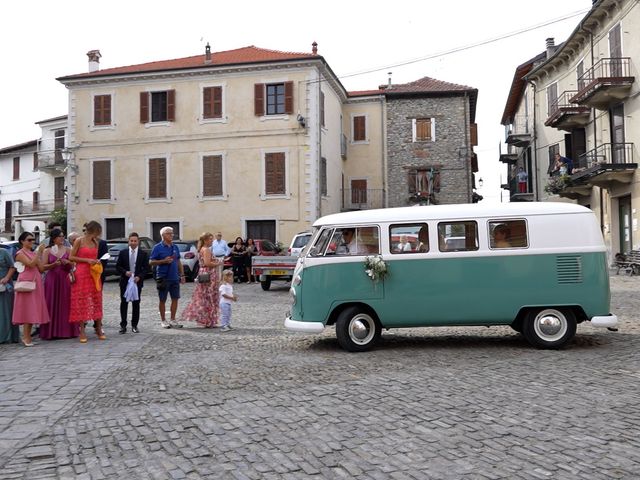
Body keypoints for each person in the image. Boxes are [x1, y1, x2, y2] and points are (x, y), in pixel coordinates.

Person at [39, 229, 79, 340]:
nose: (62, 238)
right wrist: (53, 264)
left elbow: (73, 265)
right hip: (52, 279)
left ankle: (67, 331)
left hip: (64, 279)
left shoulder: (68, 249)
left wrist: (68, 263)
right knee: (51, 303)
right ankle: (51, 331)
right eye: (60, 236)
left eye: (63, 236)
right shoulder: (47, 250)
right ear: (54, 238)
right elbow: (43, 267)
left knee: (66, 303)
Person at [69, 220, 105, 343]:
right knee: (81, 301)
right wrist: (86, 260)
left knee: (97, 300)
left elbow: (94, 257)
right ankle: (82, 331)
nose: (100, 234)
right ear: (94, 230)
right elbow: (71, 257)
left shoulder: (96, 242)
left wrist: (96, 261)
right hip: (81, 273)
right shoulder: (79, 240)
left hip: (93, 273)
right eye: (99, 231)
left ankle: (99, 328)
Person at [12, 232, 50, 347]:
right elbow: (31, 264)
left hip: (35, 281)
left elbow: (41, 268)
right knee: (26, 308)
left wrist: (42, 255)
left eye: (33, 239)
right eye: (29, 240)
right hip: (26, 283)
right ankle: (26, 336)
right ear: (22, 241)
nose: (32, 242)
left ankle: (27, 337)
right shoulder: (20, 253)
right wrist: (38, 253)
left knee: (33, 308)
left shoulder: (33, 253)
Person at [182, 232, 221, 328]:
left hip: (203, 273)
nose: (212, 241)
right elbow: (207, 263)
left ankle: (207, 320)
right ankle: (208, 320)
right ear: (205, 240)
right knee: (209, 296)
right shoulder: (206, 249)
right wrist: (218, 263)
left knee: (204, 296)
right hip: (208, 274)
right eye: (211, 239)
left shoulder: (201, 249)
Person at [150, 226, 185, 329]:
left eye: (172, 233)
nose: (171, 235)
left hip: (174, 277)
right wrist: (163, 261)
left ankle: (173, 319)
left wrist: (182, 274)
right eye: (169, 233)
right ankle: (163, 320)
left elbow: (178, 261)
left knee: (175, 298)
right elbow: (151, 262)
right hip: (163, 277)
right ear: (163, 235)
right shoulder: (157, 247)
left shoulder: (175, 247)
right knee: (162, 299)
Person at [116, 232, 149, 334]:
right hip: (125, 281)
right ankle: (123, 325)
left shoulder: (143, 254)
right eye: (131, 241)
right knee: (124, 303)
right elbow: (118, 266)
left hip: (136, 282)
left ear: (138, 242)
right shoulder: (123, 253)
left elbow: (146, 268)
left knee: (136, 303)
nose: (133, 243)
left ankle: (134, 325)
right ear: (128, 241)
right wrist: (125, 272)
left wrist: (140, 276)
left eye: (135, 241)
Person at [0, 245, 19, 344]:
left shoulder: (3, 252)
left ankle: (7, 336)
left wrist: (7, 278)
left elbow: (12, 267)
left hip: (5, 285)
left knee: (6, 310)